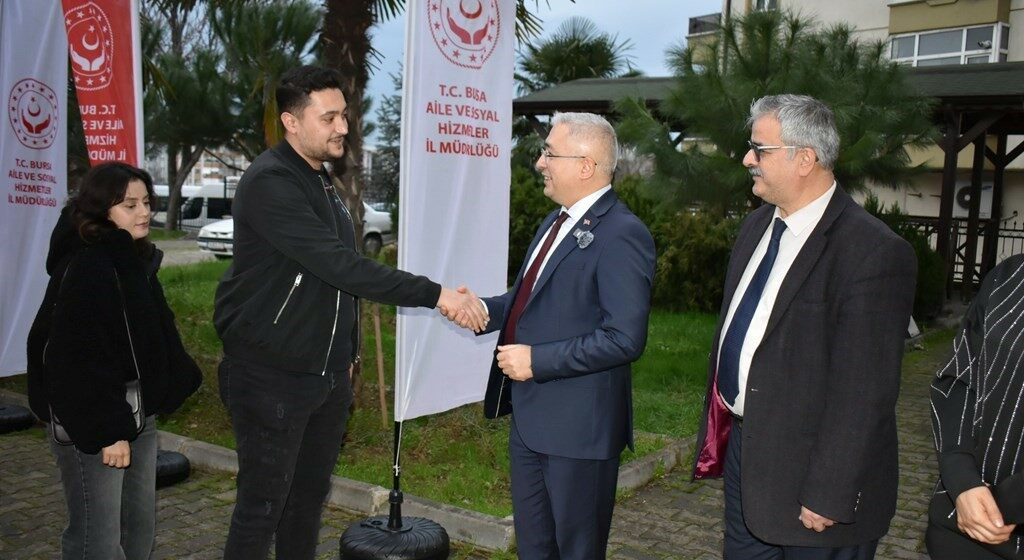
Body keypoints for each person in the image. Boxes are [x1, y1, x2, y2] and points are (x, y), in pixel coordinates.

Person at [212, 65, 484, 560]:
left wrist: (347, 356)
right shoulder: (271, 182)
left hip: (327, 375)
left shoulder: (319, 178)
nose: (343, 127)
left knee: (304, 505)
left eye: (345, 115)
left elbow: (332, 286)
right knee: (262, 509)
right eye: (329, 117)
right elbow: (340, 267)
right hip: (271, 374)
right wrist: (437, 294)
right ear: (292, 121)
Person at [691, 94, 917, 559]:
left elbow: (866, 389)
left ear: (805, 159)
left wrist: (830, 490)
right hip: (748, 456)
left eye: (760, 149)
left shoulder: (872, 251)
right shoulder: (756, 228)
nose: (747, 159)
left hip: (816, 483)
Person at [467, 112, 656, 559]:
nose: (540, 163)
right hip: (532, 424)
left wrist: (537, 361)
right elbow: (530, 299)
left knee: (576, 551)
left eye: (550, 153)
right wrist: (483, 310)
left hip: (579, 434)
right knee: (535, 549)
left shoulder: (623, 233)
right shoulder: (555, 221)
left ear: (586, 165)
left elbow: (625, 337)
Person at [26, 162, 203, 559]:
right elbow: (75, 357)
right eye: (129, 205)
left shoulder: (132, 258)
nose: (144, 212)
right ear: (102, 210)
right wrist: (108, 431)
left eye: (147, 202)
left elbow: (146, 335)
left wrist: (174, 379)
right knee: (97, 540)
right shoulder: (89, 264)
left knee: (138, 531)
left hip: (138, 412)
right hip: (95, 419)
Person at [928, 256, 1024, 559]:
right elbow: (958, 377)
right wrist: (961, 479)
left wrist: (1004, 504)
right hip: (961, 524)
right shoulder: (1007, 276)